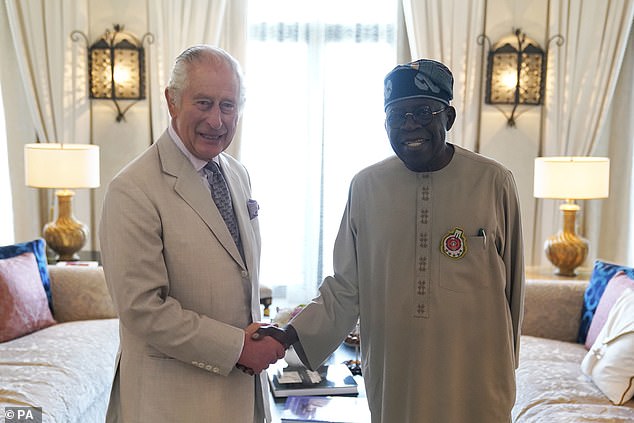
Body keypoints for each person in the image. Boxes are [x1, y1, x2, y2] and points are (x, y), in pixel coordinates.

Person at [270, 59, 525, 422]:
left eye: (423, 112)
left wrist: (507, 364)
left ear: (447, 119)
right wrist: (287, 336)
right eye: (397, 116)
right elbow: (345, 286)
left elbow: (515, 286)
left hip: (476, 375)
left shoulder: (493, 181)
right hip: (396, 374)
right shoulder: (365, 186)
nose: (409, 126)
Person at [99, 45, 285, 423]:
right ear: (172, 101)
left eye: (228, 106)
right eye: (203, 103)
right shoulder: (132, 188)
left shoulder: (237, 173)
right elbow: (142, 309)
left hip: (242, 396)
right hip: (172, 402)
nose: (217, 120)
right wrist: (237, 348)